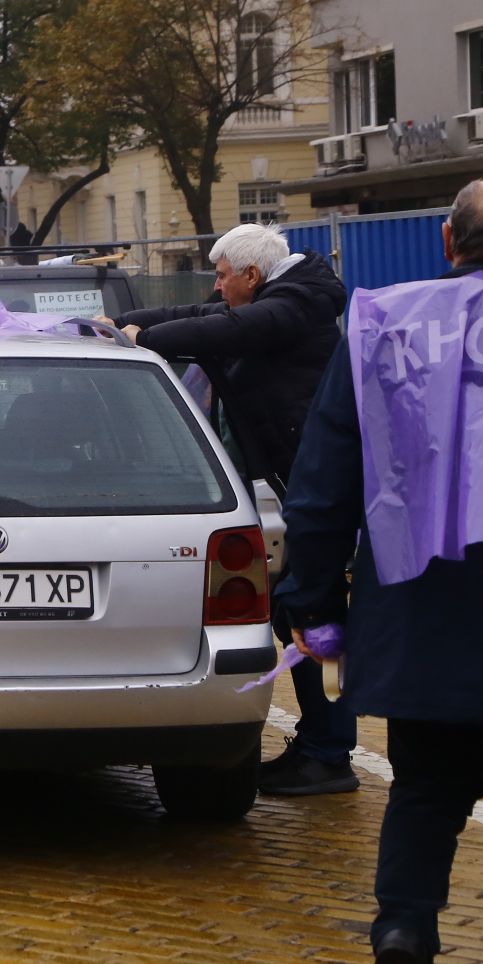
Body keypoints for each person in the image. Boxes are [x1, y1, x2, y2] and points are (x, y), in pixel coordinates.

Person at [274, 172, 483, 964]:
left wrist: (313, 600)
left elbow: (324, 476)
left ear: (446, 241)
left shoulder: (381, 321)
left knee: (429, 786)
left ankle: (403, 934)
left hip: (422, 587)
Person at [116, 223, 352, 798]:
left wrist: (143, 341)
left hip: (319, 492)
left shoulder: (294, 307)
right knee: (298, 616)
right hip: (301, 486)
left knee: (311, 617)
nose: (218, 288)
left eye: (223, 277)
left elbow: (232, 325)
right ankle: (322, 746)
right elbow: (201, 310)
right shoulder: (286, 294)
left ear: (252, 275)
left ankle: (328, 754)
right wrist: (126, 325)